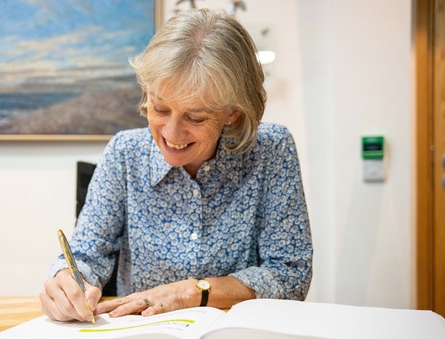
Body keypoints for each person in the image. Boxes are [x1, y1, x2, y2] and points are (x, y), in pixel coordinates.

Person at [40, 8, 312, 322]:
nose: (172, 133)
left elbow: (291, 277)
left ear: (232, 112)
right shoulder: (126, 153)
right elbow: (88, 252)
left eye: (196, 117)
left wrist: (192, 292)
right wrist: (67, 280)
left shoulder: (271, 150)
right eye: (160, 108)